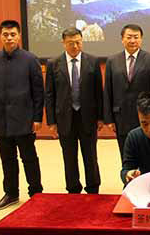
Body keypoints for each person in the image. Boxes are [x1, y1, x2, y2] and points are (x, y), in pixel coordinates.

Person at [0, 20, 44, 211]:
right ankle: (11, 193)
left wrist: (37, 118)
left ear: (19, 36)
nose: (9, 38)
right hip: (0, 120)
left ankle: (36, 193)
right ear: (0, 36)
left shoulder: (30, 59)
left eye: (13, 34)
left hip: (24, 119)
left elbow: (38, 92)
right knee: (7, 159)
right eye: (5, 34)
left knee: (29, 158)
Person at [45, 27, 103, 194]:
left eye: (78, 42)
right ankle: (73, 189)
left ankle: (93, 187)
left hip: (88, 117)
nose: (75, 46)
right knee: (69, 157)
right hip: (65, 118)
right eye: (71, 43)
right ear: (63, 43)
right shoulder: (53, 64)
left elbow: (98, 92)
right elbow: (49, 94)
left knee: (90, 156)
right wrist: (51, 122)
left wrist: (100, 117)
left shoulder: (92, 61)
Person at [103, 24, 150, 161]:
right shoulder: (112, 61)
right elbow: (108, 91)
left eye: (136, 37)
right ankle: (128, 175)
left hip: (145, 116)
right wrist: (109, 118)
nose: (132, 40)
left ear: (141, 39)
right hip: (121, 116)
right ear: (122, 39)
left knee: (147, 153)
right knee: (125, 154)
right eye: (129, 37)